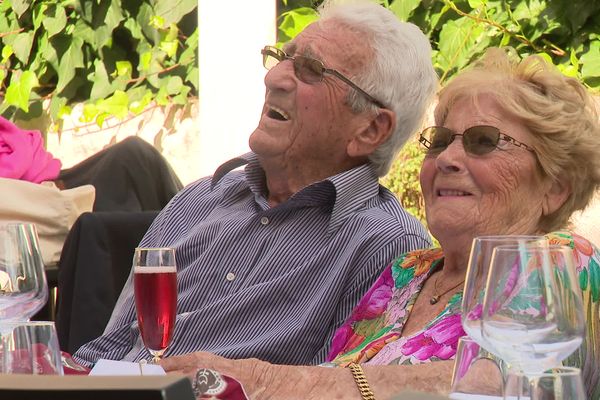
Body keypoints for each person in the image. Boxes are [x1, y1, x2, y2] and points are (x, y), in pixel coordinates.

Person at [160, 47, 600, 399]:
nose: (446, 159)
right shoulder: (406, 272)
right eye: (441, 141)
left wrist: (279, 382)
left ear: (555, 187)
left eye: (484, 142)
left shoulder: (562, 263)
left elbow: (512, 382)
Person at [73, 0, 438, 367]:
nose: (274, 78)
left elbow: (334, 387)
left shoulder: (389, 248)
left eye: (310, 69)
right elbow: (107, 352)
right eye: (282, 56)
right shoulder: (201, 198)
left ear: (370, 129)